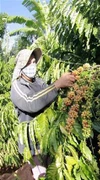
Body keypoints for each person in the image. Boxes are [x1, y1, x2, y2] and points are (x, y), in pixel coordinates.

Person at [10, 48, 76, 179]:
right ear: (21, 66)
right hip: (32, 145)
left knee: (52, 172)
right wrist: (57, 84)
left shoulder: (39, 81)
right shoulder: (17, 86)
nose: (32, 65)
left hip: (47, 139)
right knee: (39, 175)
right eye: (28, 62)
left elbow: (49, 98)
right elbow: (31, 103)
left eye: (34, 61)